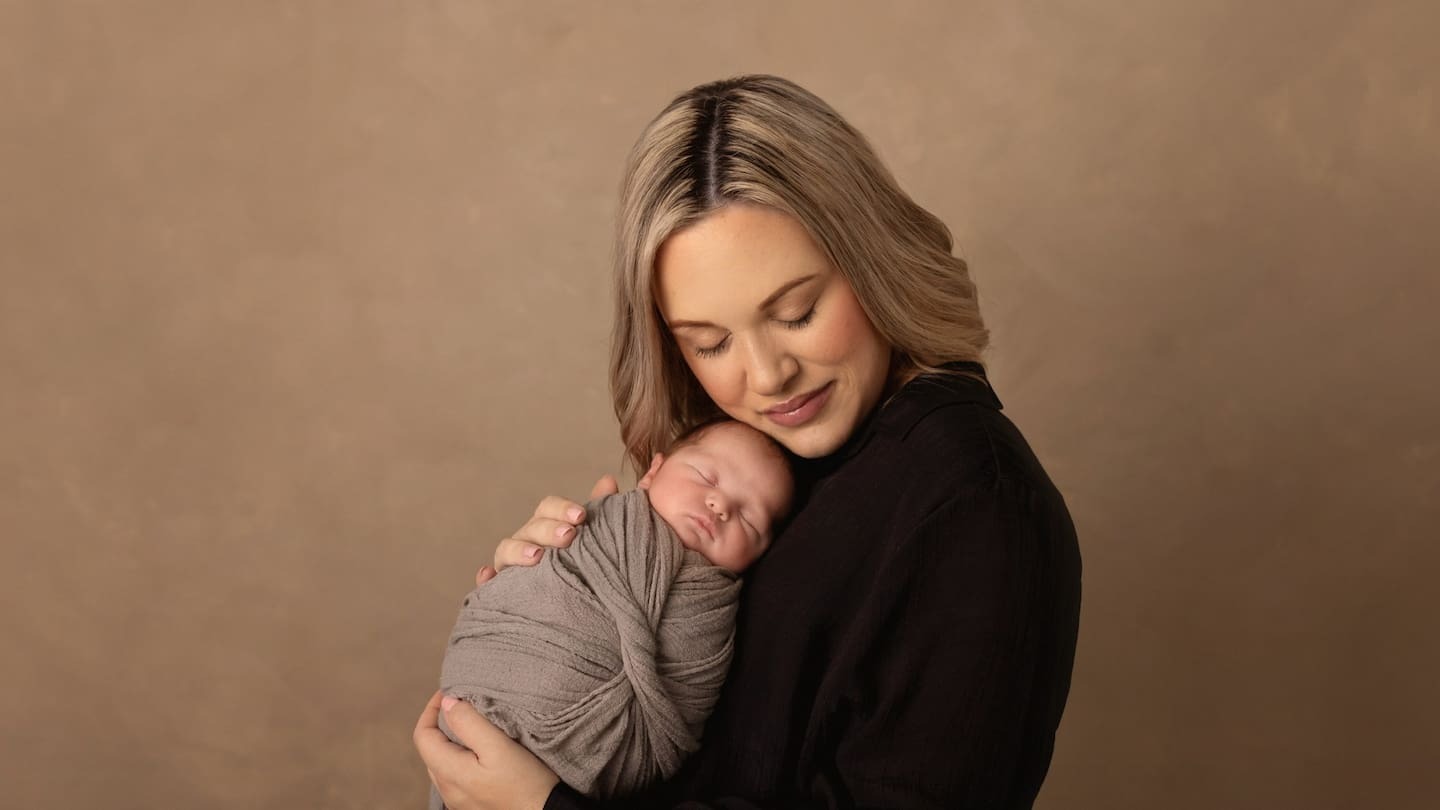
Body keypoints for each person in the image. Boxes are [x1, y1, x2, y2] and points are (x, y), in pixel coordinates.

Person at [414, 73, 1082, 810]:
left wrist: (546, 808)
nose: (768, 377)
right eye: (709, 342)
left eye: (796, 312)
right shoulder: (778, 466)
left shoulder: (975, 504)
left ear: (874, 261)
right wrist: (555, 614)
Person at [429, 420, 793, 806]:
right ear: (653, 472)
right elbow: (528, 591)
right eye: (705, 476)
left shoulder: (717, 610)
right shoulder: (596, 525)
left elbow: (679, 715)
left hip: (583, 776)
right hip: (490, 692)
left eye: (750, 520)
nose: (721, 506)